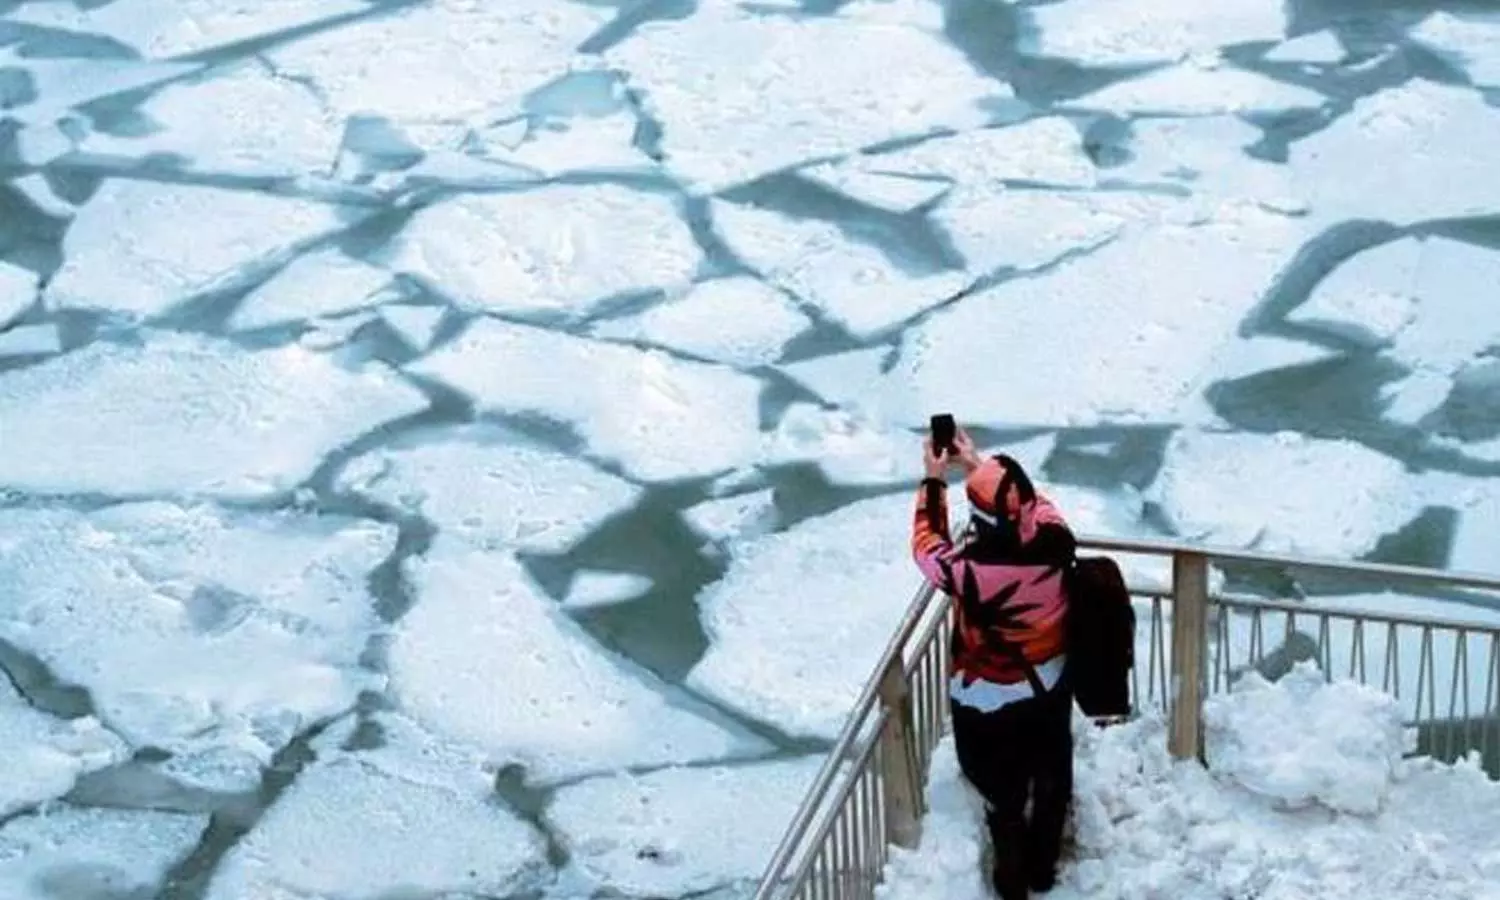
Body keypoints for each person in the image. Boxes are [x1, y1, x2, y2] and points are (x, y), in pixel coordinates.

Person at [911, 426, 1076, 900]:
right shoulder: (1055, 542)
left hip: (988, 696)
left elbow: (927, 547)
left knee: (1002, 792)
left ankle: (1011, 878)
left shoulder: (971, 573)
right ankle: (1043, 869)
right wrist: (979, 465)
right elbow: (1035, 505)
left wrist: (935, 481)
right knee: (1050, 776)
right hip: (1049, 682)